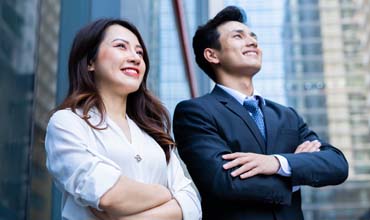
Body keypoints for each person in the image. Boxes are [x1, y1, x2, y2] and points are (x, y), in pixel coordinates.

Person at [173, 6, 348, 220]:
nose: (253, 42)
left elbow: (336, 164)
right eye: (238, 36)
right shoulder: (195, 112)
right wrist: (295, 170)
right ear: (212, 54)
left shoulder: (286, 115)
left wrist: (277, 163)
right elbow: (224, 181)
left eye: (253, 37)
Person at [45, 18, 201, 220]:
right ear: (91, 61)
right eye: (121, 46)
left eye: (139, 52)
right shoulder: (67, 123)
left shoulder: (153, 133)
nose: (135, 58)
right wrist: (167, 194)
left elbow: (192, 204)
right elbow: (109, 195)